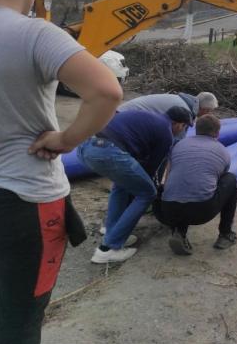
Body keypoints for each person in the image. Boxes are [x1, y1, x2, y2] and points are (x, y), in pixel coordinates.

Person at [0, 0, 123, 344]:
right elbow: (106, 92)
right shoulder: (35, 34)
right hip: (26, 201)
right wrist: (66, 139)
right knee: (20, 320)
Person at [77, 106, 191, 264]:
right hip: (108, 152)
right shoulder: (166, 134)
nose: (182, 131)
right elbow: (151, 169)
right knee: (147, 193)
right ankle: (108, 249)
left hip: (86, 146)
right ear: (179, 124)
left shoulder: (149, 117)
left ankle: (113, 232)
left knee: (121, 186)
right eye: (185, 127)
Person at [154, 114, 237, 255]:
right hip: (201, 212)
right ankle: (225, 234)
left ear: (196, 130)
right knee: (231, 179)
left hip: (166, 211)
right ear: (217, 133)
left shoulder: (179, 145)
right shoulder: (223, 151)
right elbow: (217, 180)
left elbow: (168, 177)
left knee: (180, 184)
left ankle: (179, 231)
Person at [119, 91, 218, 129]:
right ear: (203, 108)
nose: (209, 114)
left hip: (123, 112)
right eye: (209, 111)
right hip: (127, 118)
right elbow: (175, 139)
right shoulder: (183, 110)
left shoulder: (182, 101)